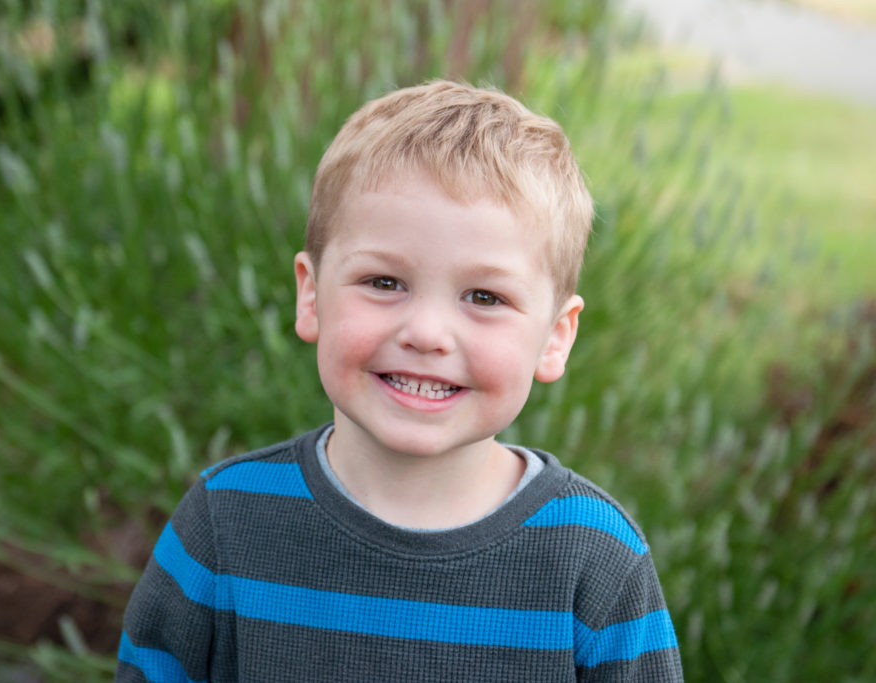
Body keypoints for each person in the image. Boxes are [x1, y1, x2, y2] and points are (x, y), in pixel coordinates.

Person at [115, 80, 682, 682]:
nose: (428, 333)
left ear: (555, 336)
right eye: (385, 282)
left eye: (484, 296)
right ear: (311, 295)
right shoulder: (226, 524)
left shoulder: (593, 560)